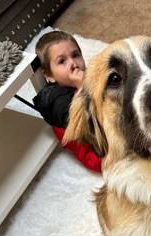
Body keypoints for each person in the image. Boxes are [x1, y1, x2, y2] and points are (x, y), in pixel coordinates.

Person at [33, 30, 102, 173]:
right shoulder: (54, 101)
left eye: (76, 55)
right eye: (62, 61)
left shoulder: (84, 77)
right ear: (49, 75)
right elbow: (84, 126)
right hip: (97, 155)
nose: (73, 63)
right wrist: (84, 86)